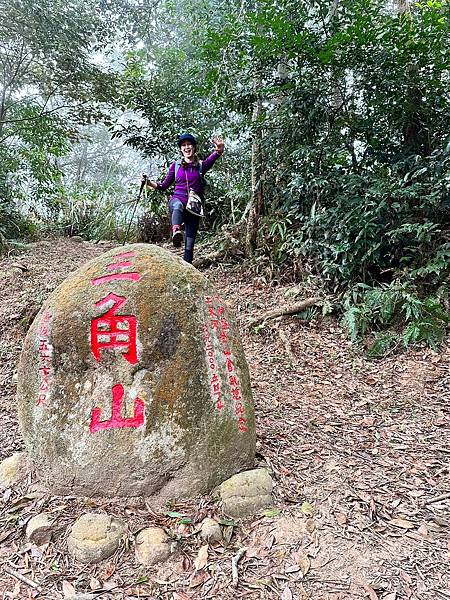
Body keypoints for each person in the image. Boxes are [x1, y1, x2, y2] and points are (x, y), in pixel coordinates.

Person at [145, 134, 224, 263]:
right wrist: (149, 182)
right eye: (183, 145)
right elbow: (163, 185)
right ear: (181, 149)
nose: (186, 147)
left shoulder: (200, 166)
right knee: (177, 206)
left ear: (194, 147)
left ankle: (188, 267)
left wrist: (219, 149)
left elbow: (214, 157)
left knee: (190, 242)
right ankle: (176, 231)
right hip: (178, 199)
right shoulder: (175, 166)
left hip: (194, 206)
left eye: (189, 144)